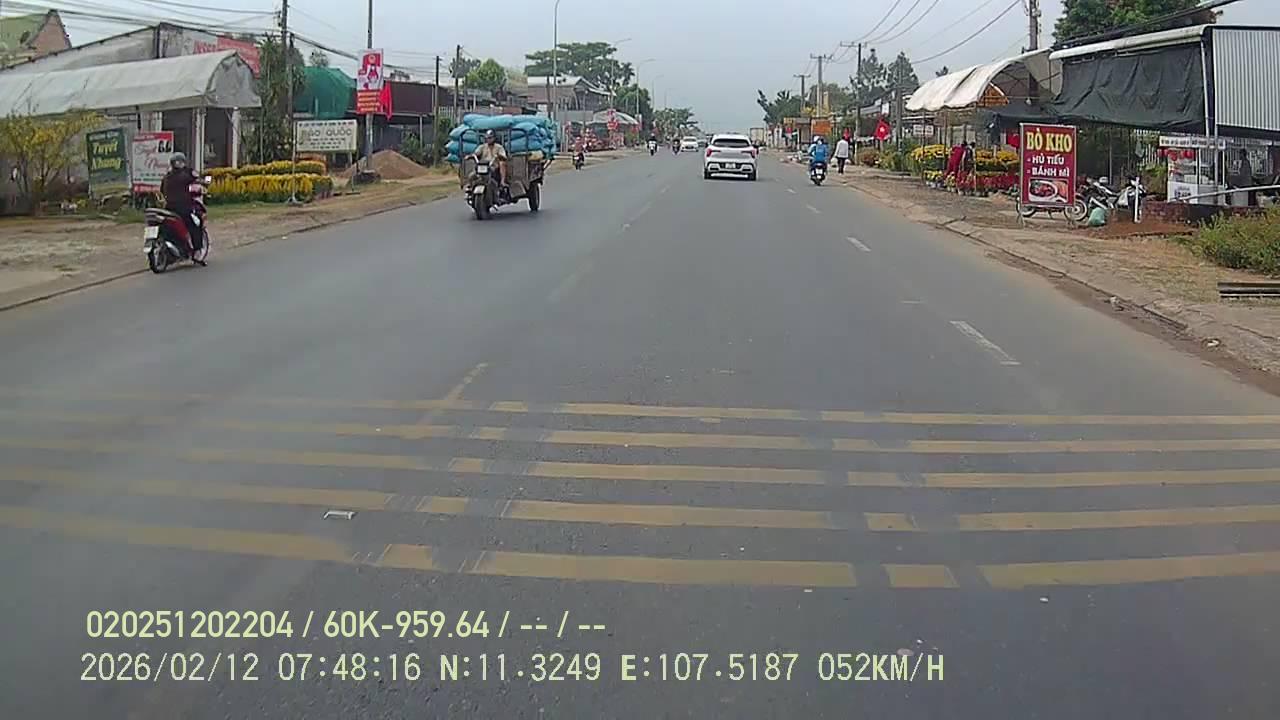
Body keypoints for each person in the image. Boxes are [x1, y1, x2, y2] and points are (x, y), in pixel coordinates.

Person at [159, 152, 200, 255]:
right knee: (194, 224)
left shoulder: (167, 177)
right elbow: (196, 177)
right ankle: (196, 248)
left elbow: (162, 190)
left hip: (169, 207)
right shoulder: (185, 175)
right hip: (183, 208)